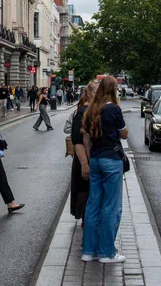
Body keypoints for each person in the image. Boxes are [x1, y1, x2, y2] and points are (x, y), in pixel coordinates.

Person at [81, 75, 128, 264]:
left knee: (93, 205)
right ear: (113, 89)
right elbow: (124, 134)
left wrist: (90, 158)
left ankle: (88, 251)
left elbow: (85, 138)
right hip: (111, 160)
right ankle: (106, 253)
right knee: (111, 207)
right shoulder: (113, 109)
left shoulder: (90, 109)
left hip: (96, 160)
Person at [70, 80, 98, 224]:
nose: (98, 95)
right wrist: (84, 165)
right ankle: (87, 223)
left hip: (92, 159)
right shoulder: (82, 113)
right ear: (88, 94)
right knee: (85, 193)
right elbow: (77, 141)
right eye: (95, 92)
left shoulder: (95, 110)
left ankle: (88, 223)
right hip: (84, 160)